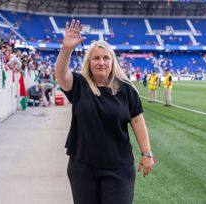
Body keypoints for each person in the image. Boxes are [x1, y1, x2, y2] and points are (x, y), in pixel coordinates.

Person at [55, 20, 156, 204]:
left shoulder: (127, 89)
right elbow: (61, 76)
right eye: (96, 58)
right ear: (89, 62)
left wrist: (146, 153)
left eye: (105, 58)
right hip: (83, 167)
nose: (101, 62)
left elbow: (138, 121)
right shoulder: (79, 84)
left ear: (112, 61)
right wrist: (66, 49)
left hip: (118, 168)